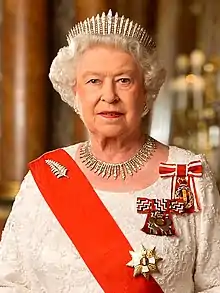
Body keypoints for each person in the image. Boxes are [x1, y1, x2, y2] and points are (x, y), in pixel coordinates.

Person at [0, 9, 220, 293]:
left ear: (146, 91)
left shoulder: (189, 175)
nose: (109, 95)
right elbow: (9, 283)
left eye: (124, 80)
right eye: (94, 81)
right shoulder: (45, 178)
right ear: (75, 91)